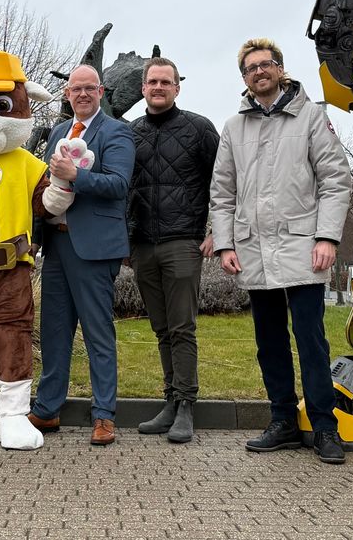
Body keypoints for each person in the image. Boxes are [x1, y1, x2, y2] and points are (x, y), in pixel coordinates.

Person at [208, 38, 350, 464]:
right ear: (245, 78)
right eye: (250, 68)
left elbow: (335, 180)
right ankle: (284, 421)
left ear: (280, 69)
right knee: (268, 343)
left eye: (265, 64)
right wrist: (226, 244)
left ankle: (325, 426)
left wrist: (327, 236)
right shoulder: (234, 128)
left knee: (311, 340)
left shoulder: (311, 116)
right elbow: (222, 192)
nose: (258, 72)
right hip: (253, 252)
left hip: (303, 249)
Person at [28, 64, 135, 446]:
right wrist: (37, 237)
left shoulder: (117, 132)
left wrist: (77, 175)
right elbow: (44, 188)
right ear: (67, 94)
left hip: (94, 250)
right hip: (56, 247)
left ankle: (104, 415)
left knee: (97, 335)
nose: (83, 94)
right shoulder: (58, 132)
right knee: (54, 333)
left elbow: (119, 184)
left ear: (101, 92)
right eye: (77, 89)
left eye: (90, 88)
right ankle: (47, 409)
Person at [128, 57, 219, 443]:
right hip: (143, 246)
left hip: (184, 240)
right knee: (162, 328)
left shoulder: (200, 130)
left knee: (182, 327)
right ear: (143, 88)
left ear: (177, 87)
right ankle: (169, 401)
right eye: (153, 82)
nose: (159, 87)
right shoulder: (129, 134)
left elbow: (225, 182)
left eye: (166, 81)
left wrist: (219, 231)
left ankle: (186, 406)